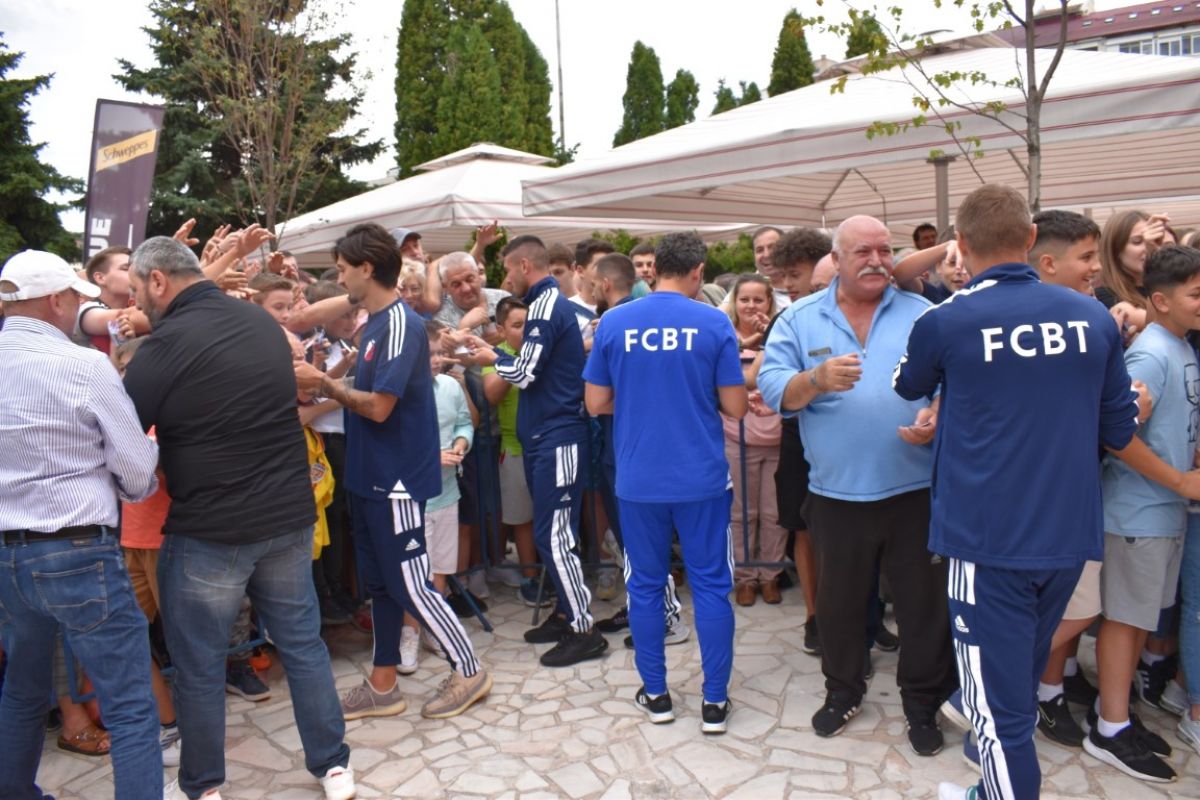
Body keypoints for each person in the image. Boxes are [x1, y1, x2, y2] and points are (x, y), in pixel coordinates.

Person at [890, 185, 1198, 800]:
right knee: (1018, 682)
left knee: (996, 716)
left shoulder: (945, 318)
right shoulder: (1092, 317)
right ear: (1030, 239)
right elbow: (1118, 425)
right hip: (1068, 536)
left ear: (961, 244)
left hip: (986, 541)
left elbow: (906, 384)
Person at [122, 236, 356, 800]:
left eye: (136, 289)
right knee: (302, 644)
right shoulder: (261, 324)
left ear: (159, 280)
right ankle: (334, 767)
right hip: (285, 516)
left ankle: (203, 786)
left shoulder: (163, 345)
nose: (136, 303)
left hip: (211, 528)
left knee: (199, 664)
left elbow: (123, 431)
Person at [758, 215, 956, 756]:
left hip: (916, 491)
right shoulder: (799, 318)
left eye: (884, 250)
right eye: (862, 251)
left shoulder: (923, 314)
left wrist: (938, 411)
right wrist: (815, 380)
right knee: (840, 606)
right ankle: (843, 691)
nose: (876, 260)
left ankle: (922, 702)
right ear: (837, 260)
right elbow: (773, 389)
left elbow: (954, 381)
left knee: (922, 607)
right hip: (836, 494)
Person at [293, 223, 492, 721]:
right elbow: (302, 317)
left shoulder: (400, 325)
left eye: (343, 270)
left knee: (411, 584)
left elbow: (380, 408)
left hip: (396, 480)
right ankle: (383, 685)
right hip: (372, 476)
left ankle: (469, 670)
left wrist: (324, 383)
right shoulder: (377, 320)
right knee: (382, 584)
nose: (340, 279)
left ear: (366, 268)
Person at [0, 249, 162, 800]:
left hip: (8, 553)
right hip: (77, 547)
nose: (76, 307)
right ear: (55, 301)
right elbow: (137, 470)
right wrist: (132, 488)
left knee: (23, 689)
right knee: (130, 702)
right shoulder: (83, 365)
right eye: (74, 297)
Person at [584, 232, 747, 734]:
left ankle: (656, 695)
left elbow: (595, 402)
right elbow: (736, 406)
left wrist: (639, 401)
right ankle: (714, 702)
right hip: (702, 478)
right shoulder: (714, 322)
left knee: (646, 585)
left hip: (639, 478)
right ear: (698, 272)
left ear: (654, 270)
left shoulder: (615, 322)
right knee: (712, 587)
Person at [461, 235, 609, 668]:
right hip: (546, 436)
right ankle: (565, 613)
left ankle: (583, 629)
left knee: (554, 535)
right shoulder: (545, 305)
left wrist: (491, 356)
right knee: (553, 533)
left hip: (558, 436)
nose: (506, 278)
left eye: (508, 269)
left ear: (525, 265)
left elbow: (525, 374)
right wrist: (493, 353)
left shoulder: (545, 306)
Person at [1088, 245, 1200, 784]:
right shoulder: (1151, 354)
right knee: (1124, 619)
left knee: (1139, 619)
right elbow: (1118, 435)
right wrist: (1178, 479)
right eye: (1196, 294)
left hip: (1163, 513)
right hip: (1137, 513)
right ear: (1159, 300)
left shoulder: (1179, 346)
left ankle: (1117, 715)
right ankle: (1109, 728)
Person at [721, 274, 786, 606]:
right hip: (736, 435)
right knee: (741, 512)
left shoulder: (782, 335)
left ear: (769, 302)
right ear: (735, 302)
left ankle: (771, 575)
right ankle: (744, 577)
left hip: (776, 436)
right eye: (744, 299)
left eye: (758, 299)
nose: (750, 305)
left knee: (774, 513)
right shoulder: (725, 337)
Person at [752, 226, 789, 309]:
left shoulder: (804, 284)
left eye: (772, 247)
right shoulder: (745, 288)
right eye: (760, 250)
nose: (766, 255)